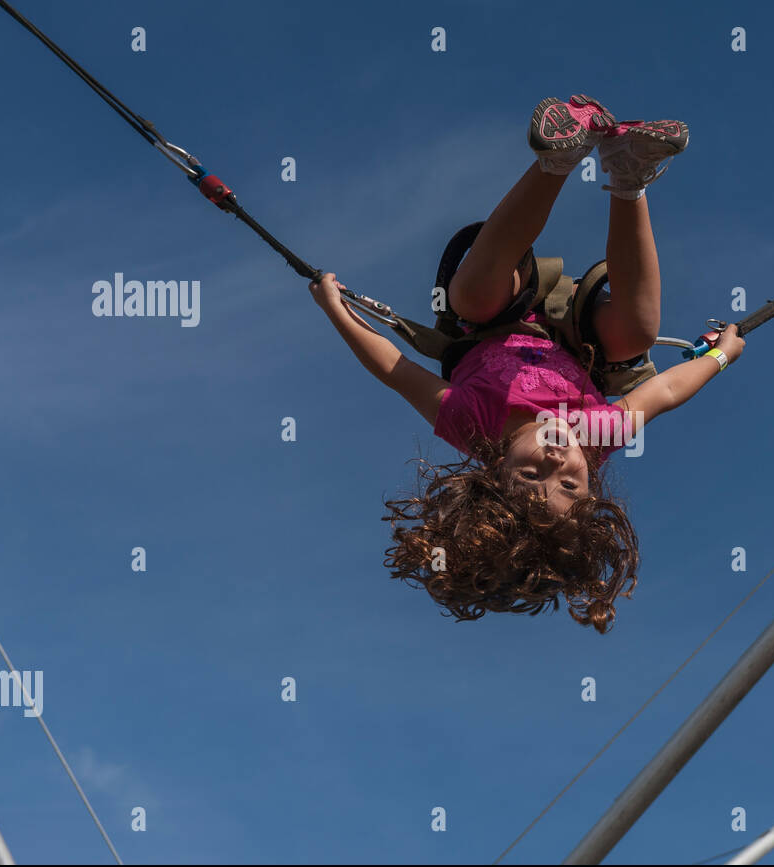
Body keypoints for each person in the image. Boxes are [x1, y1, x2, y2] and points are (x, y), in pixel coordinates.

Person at [309, 95, 744, 632]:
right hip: (577, 333)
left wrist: (336, 308)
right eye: (570, 486)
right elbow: (666, 392)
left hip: (494, 314)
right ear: (592, 488)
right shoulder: (595, 434)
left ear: (495, 473)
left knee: (471, 296)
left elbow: (396, 370)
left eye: (532, 474)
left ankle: (556, 161)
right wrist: (722, 355)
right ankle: (628, 175)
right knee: (636, 336)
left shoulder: (473, 425)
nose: (558, 463)